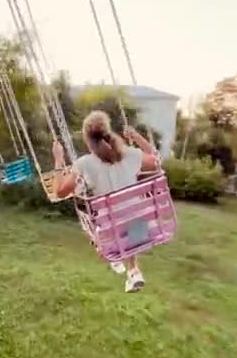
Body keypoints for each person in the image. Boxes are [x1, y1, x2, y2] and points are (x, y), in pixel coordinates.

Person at [52, 110, 158, 292]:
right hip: (139, 228)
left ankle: (113, 255)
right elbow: (156, 162)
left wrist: (58, 159)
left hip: (110, 229)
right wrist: (137, 137)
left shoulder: (85, 163)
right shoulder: (130, 154)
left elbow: (60, 192)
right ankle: (133, 271)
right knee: (129, 213)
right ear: (108, 132)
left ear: (87, 140)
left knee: (93, 224)